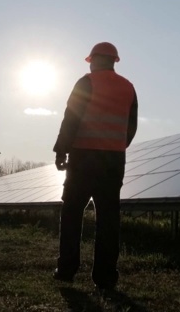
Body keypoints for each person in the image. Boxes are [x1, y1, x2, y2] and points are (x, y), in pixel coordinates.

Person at [52, 41, 138, 290]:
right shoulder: (129, 87)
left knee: (71, 213)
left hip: (83, 158)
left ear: (95, 60)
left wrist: (61, 150)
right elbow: (131, 127)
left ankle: (67, 269)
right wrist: (117, 146)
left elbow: (72, 117)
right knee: (109, 219)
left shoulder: (86, 83)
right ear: (114, 61)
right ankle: (105, 276)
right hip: (113, 161)